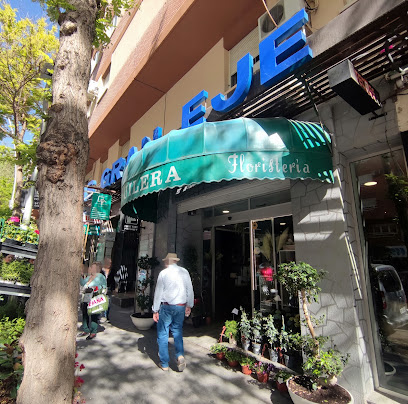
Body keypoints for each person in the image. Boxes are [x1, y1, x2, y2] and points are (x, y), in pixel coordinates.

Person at [152, 253, 194, 372]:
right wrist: (189, 305)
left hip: (166, 307)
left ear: (167, 262)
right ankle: (180, 355)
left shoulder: (163, 273)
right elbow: (189, 290)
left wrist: (155, 309)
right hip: (180, 306)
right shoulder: (184, 272)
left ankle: (164, 363)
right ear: (176, 261)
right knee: (177, 331)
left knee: (163, 333)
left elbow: (158, 292)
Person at [79, 261, 107, 340]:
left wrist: (97, 287)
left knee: (94, 314)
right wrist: (80, 276)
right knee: (85, 313)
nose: (91, 268)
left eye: (93, 267)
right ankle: (85, 329)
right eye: (91, 267)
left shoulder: (101, 276)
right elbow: (83, 283)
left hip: (95, 297)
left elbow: (104, 286)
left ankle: (93, 332)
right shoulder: (89, 277)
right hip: (86, 297)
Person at [101, 257, 112, 322]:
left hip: (109, 289)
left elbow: (114, 280)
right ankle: (101, 316)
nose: (109, 264)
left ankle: (106, 316)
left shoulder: (111, 271)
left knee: (108, 304)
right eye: (108, 263)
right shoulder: (101, 271)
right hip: (101, 289)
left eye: (110, 263)